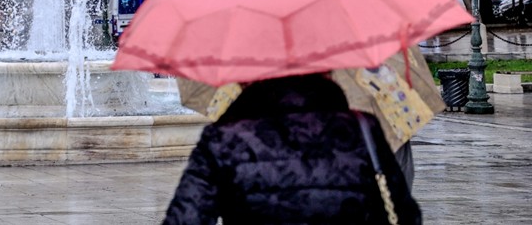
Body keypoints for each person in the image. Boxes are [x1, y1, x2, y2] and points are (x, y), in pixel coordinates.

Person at [163, 73, 421, 224]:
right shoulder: (362, 129)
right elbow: (404, 214)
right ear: (329, 71)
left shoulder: (224, 139)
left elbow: (186, 218)